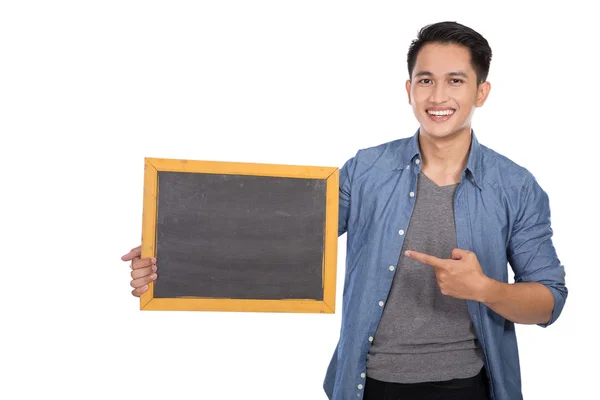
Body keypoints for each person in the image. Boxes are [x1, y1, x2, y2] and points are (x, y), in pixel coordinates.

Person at [121, 21, 567, 400]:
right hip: (367, 383)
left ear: (481, 92)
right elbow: (283, 240)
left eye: (456, 80)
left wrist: (485, 288)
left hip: (468, 386)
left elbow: (549, 302)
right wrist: (175, 253)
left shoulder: (515, 187)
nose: (437, 96)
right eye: (425, 80)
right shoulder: (366, 170)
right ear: (408, 88)